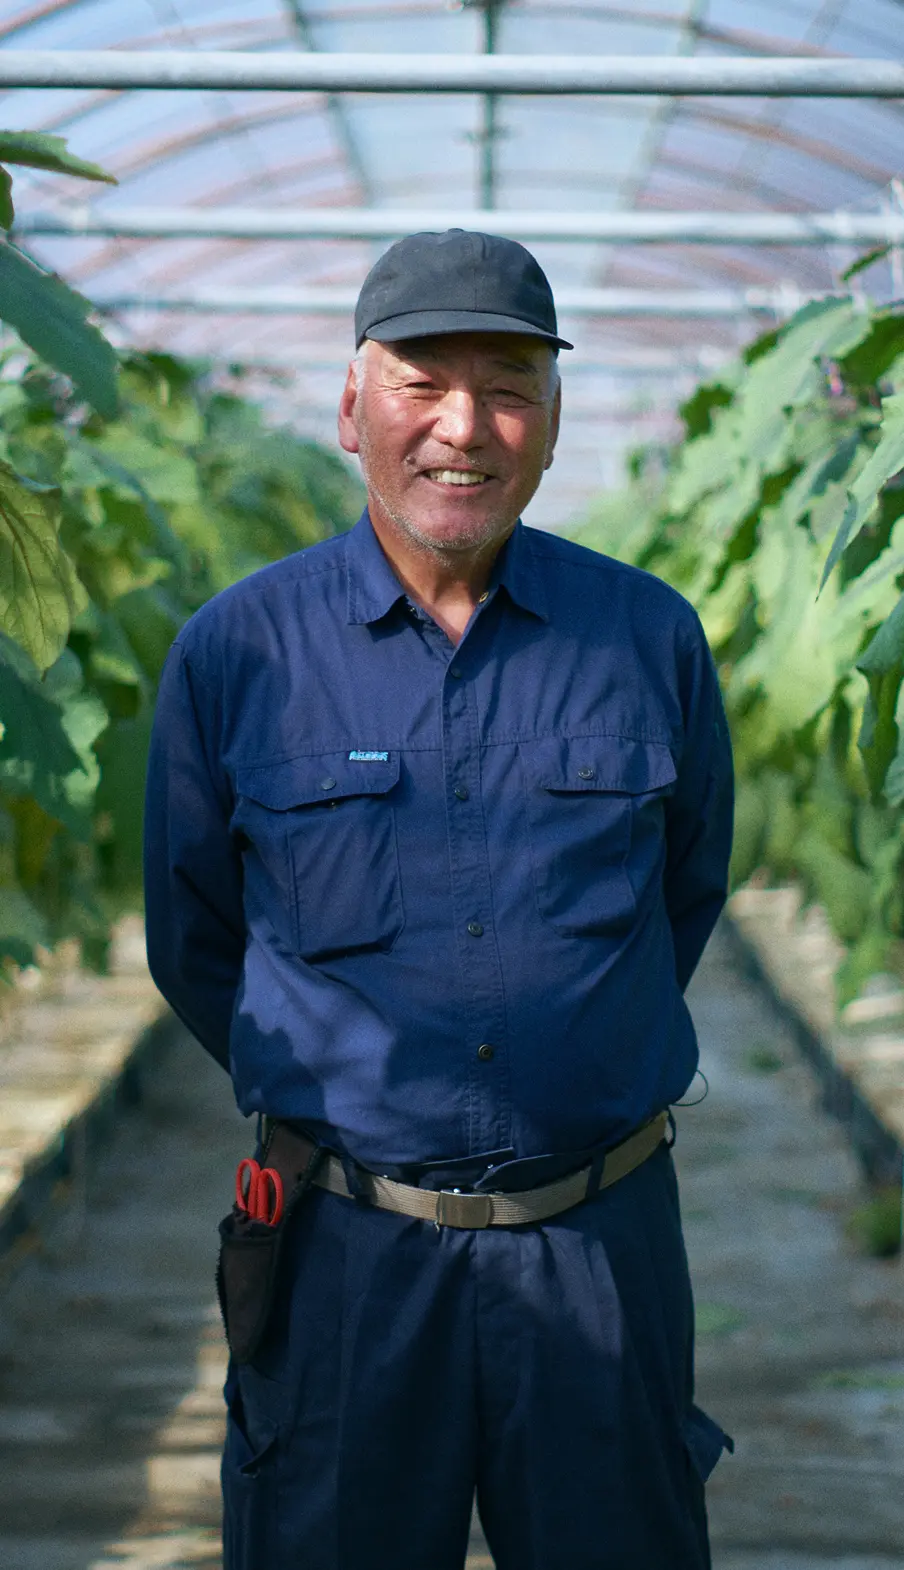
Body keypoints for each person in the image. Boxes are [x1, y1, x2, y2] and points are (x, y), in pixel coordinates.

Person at [144, 227, 734, 1570]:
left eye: (510, 382)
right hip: (348, 1256)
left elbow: (685, 890)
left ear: (553, 415)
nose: (465, 426)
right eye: (423, 379)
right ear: (352, 405)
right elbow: (194, 938)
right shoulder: (239, 650)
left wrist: (567, 1050)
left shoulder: (649, 638)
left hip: (599, 1241)